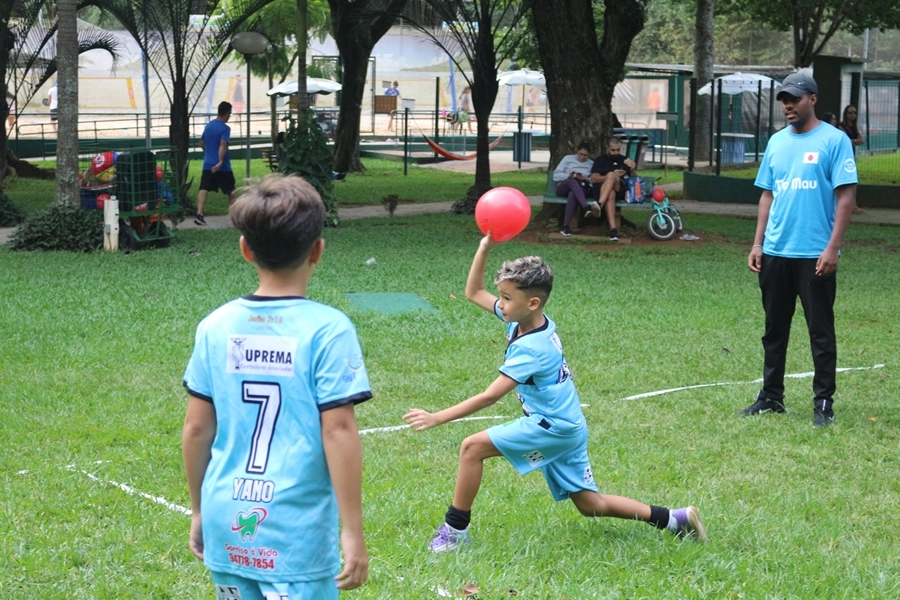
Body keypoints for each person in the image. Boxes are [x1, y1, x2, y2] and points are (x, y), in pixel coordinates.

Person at [403, 236, 707, 554]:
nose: (500, 304)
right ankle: (674, 520)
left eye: (506, 298)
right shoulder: (527, 321)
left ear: (532, 302)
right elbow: (474, 292)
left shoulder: (532, 349)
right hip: (569, 425)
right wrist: (483, 248)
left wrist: (437, 417)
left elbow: (489, 397)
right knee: (590, 504)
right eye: (502, 297)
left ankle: (454, 532)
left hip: (552, 427)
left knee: (471, 448)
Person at [182, 174, 372, 598]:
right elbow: (338, 430)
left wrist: (198, 509)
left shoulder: (215, 327)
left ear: (245, 249)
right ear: (317, 251)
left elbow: (196, 430)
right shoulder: (328, 329)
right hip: (295, 530)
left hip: (226, 516)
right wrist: (353, 531)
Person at [746, 72, 857, 428]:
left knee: (820, 330)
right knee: (773, 329)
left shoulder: (835, 140)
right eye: (783, 100)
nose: (787, 105)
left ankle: (823, 402)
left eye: (794, 98)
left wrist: (833, 248)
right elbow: (767, 194)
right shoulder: (777, 142)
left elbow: (846, 197)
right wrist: (758, 243)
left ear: (812, 98)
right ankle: (770, 397)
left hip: (815, 254)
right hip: (777, 251)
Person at [195, 101, 236, 226]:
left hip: (207, 163)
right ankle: (237, 217)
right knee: (231, 191)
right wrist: (219, 162)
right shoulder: (225, 128)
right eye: (230, 114)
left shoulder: (209, 126)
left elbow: (201, 143)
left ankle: (199, 214)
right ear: (227, 113)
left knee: (204, 188)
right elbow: (223, 145)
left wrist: (209, 154)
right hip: (222, 166)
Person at [590, 136, 636, 241]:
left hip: (620, 188)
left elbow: (634, 180)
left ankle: (599, 204)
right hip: (603, 190)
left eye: (618, 150)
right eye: (613, 150)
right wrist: (609, 177)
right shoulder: (600, 160)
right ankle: (613, 230)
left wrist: (632, 170)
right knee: (610, 191)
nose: (616, 152)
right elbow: (593, 178)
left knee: (611, 175)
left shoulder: (624, 160)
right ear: (607, 148)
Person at [552, 140, 601, 236]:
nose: (582, 157)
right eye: (580, 154)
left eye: (585, 155)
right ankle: (586, 207)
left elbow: (593, 181)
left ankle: (566, 227)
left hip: (581, 188)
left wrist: (585, 179)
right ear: (577, 151)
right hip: (565, 185)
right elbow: (556, 176)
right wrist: (569, 176)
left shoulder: (591, 163)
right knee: (572, 181)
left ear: (589, 155)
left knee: (573, 194)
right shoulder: (567, 159)